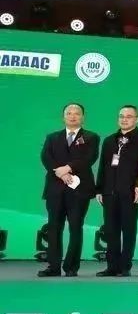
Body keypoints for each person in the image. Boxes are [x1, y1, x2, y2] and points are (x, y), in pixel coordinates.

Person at [38, 103, 100, 277]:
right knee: (54, 228)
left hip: (79, 190)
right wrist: (61, 174)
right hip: (55, 189)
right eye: (69, 113)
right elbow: (46, 157)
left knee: (75, 227)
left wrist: (68, 168)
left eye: (77, 113)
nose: (73, 116)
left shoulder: (91, 137)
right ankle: (53, 267)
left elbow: (89, 158)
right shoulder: (52, 137)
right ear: (63, 117)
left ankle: (71, 267)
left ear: (83, 117)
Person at [94, 105, 138, 277]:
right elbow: (103, 166)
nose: (124, 119)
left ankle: (125, 266)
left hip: (131, 193)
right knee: (111, 230)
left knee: (128, 229)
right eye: (121, 116)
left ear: (137, 119)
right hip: (109, 192)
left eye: (129, 116)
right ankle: (112, 266)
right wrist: (99, 189)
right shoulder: (109, 140)